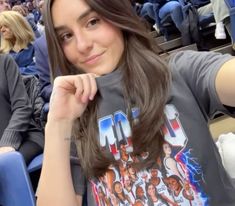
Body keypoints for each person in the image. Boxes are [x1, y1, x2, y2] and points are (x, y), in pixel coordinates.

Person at [37, 0, 235, 206]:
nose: (82, 45)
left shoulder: (179, 72)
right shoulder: (74, 116)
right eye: (66, 36)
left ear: (117, 15)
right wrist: (58, 122)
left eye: (93, 22)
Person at [0, 54, 43, 165]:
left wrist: (7, 143)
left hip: (25, 137)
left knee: (8, 165)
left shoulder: (5, 61)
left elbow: (22, 107)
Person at [0, 10, 38, 76]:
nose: (2, 30)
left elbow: (36, 69)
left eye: (6, 26)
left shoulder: (36, 47)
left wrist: (9, 71)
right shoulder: (2, 51)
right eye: (0, 27)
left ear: (18, 26)